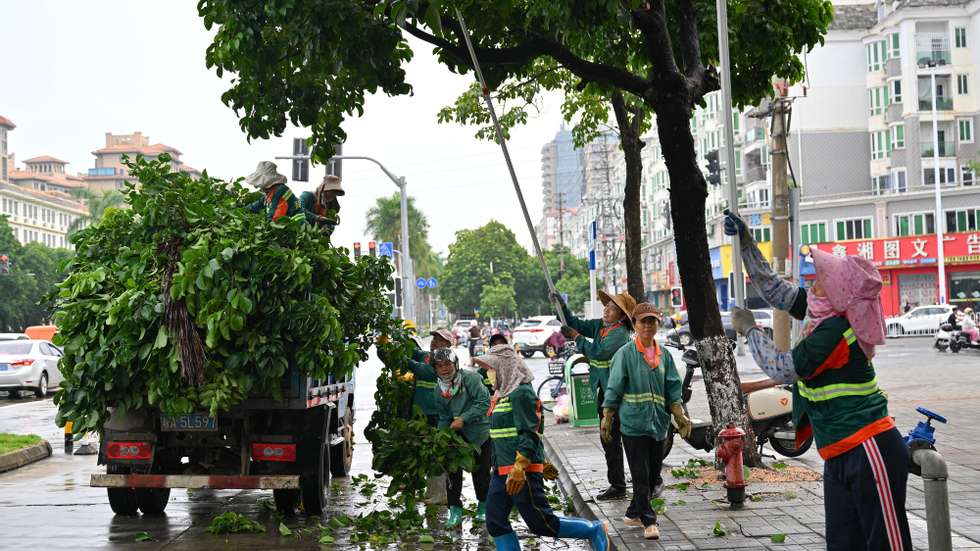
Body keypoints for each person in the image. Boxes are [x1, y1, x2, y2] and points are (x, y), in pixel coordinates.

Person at [724, 210, 912, 551]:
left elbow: (783, 368)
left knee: (886, 545)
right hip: (838, 452)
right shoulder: (820, 312)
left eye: (822, 277)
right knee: (843, 544)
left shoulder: (835, 332)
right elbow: (774, 289)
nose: (814, 280)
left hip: (869, 447)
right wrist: (747, 244)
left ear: (839, 292)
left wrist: (751, 330)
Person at [474, 345, 609, 551]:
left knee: (541, 522)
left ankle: (594, 529)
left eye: (491, 368)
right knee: (495, 521)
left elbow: (530, 431)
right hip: (501, 470)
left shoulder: (521, 393)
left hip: (521, 471)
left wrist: (523, 465)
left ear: (504, 368)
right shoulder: (501, 394)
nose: (488, 373)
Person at [601, 303, 691, 540]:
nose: (648, 326)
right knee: (640, 474)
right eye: (643, 321)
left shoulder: (665, 356)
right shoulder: (625, 354)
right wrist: (608, 416)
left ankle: (633, 511)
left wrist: (679, 414)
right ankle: (648, 521)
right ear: (635, 324)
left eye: (652, 321)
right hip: (632, 423)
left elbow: (672, 387)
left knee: (652, 476)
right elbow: (614, 387)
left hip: (658, 424)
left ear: (657, 324)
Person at [552, 290, 635, 500]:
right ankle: (617, 483)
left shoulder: (619, 334)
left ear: (623, 316)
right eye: (607, 306)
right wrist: (561, 305)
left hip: (617, 393)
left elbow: (597, 352)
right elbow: (576, 324)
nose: (606, 310)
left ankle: (622, 485)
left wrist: (576, 337)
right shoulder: (602, 326)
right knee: (608, 438)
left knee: (615, 438)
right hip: (604, 389)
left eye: (613, 308)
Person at [431, 347, 492, 527]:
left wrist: (463, 419)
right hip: (455, 438)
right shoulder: (438, 390)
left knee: (481, 474)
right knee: (452, 474)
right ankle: (455, 510)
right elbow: (443, 416)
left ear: (455, 364)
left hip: (478, 434)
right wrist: (440, 436)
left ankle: (483, 506)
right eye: (439, 366)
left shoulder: (471, 379)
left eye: (448, 364)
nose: (444, 369)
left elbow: (484, 402)